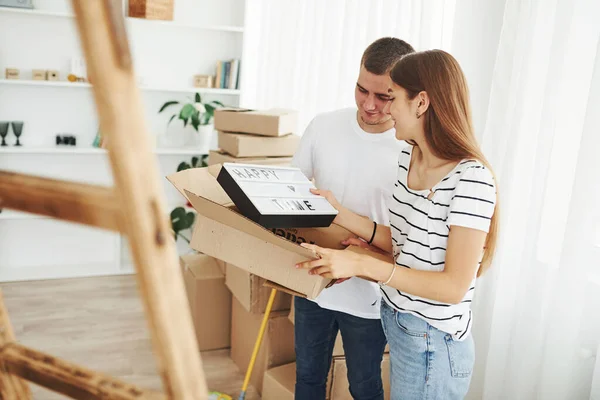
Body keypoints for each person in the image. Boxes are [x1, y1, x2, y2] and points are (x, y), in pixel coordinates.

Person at [297, 49, 499, 400]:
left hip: (433, 342)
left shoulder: (472, 179)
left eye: (393, 98)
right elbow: (407, 243)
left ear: (421, 103)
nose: (385, 110)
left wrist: (364, 264)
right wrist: (340, 215)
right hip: (400, 323)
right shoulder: (410, 156)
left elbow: (453, 287)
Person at [291, 37, 414, 400]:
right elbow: (292, 192)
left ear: (406, 93)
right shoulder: (324, 126)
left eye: (384, 96)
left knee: (364, 386)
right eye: (362, 90)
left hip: (370, 293)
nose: (369, 105)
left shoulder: (410, 149)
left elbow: (408, 236)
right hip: (313, 280)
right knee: (308, 377)